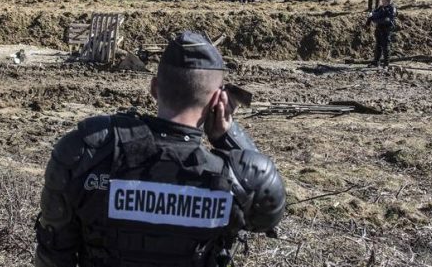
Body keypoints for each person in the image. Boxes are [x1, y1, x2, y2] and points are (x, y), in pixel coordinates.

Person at [34, 31, 286, 267]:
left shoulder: (86, 150)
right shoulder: (240, 180)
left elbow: (53, 253)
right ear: (217, 102)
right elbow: (268, 210)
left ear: (154, 88)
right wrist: (227, 135)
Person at [365, 0, 397, 68]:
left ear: (387, 1)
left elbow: (387, 20)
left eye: (384, 0)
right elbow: (373, 13)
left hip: (386, 30)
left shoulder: (392, 8)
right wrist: (372, 17)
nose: (382, 1)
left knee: (386, 47)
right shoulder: (381, 7)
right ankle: (376, 62)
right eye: (382, 0)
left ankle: (386, 63)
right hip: (379, 29)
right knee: (378, 46)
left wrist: (376, 19)